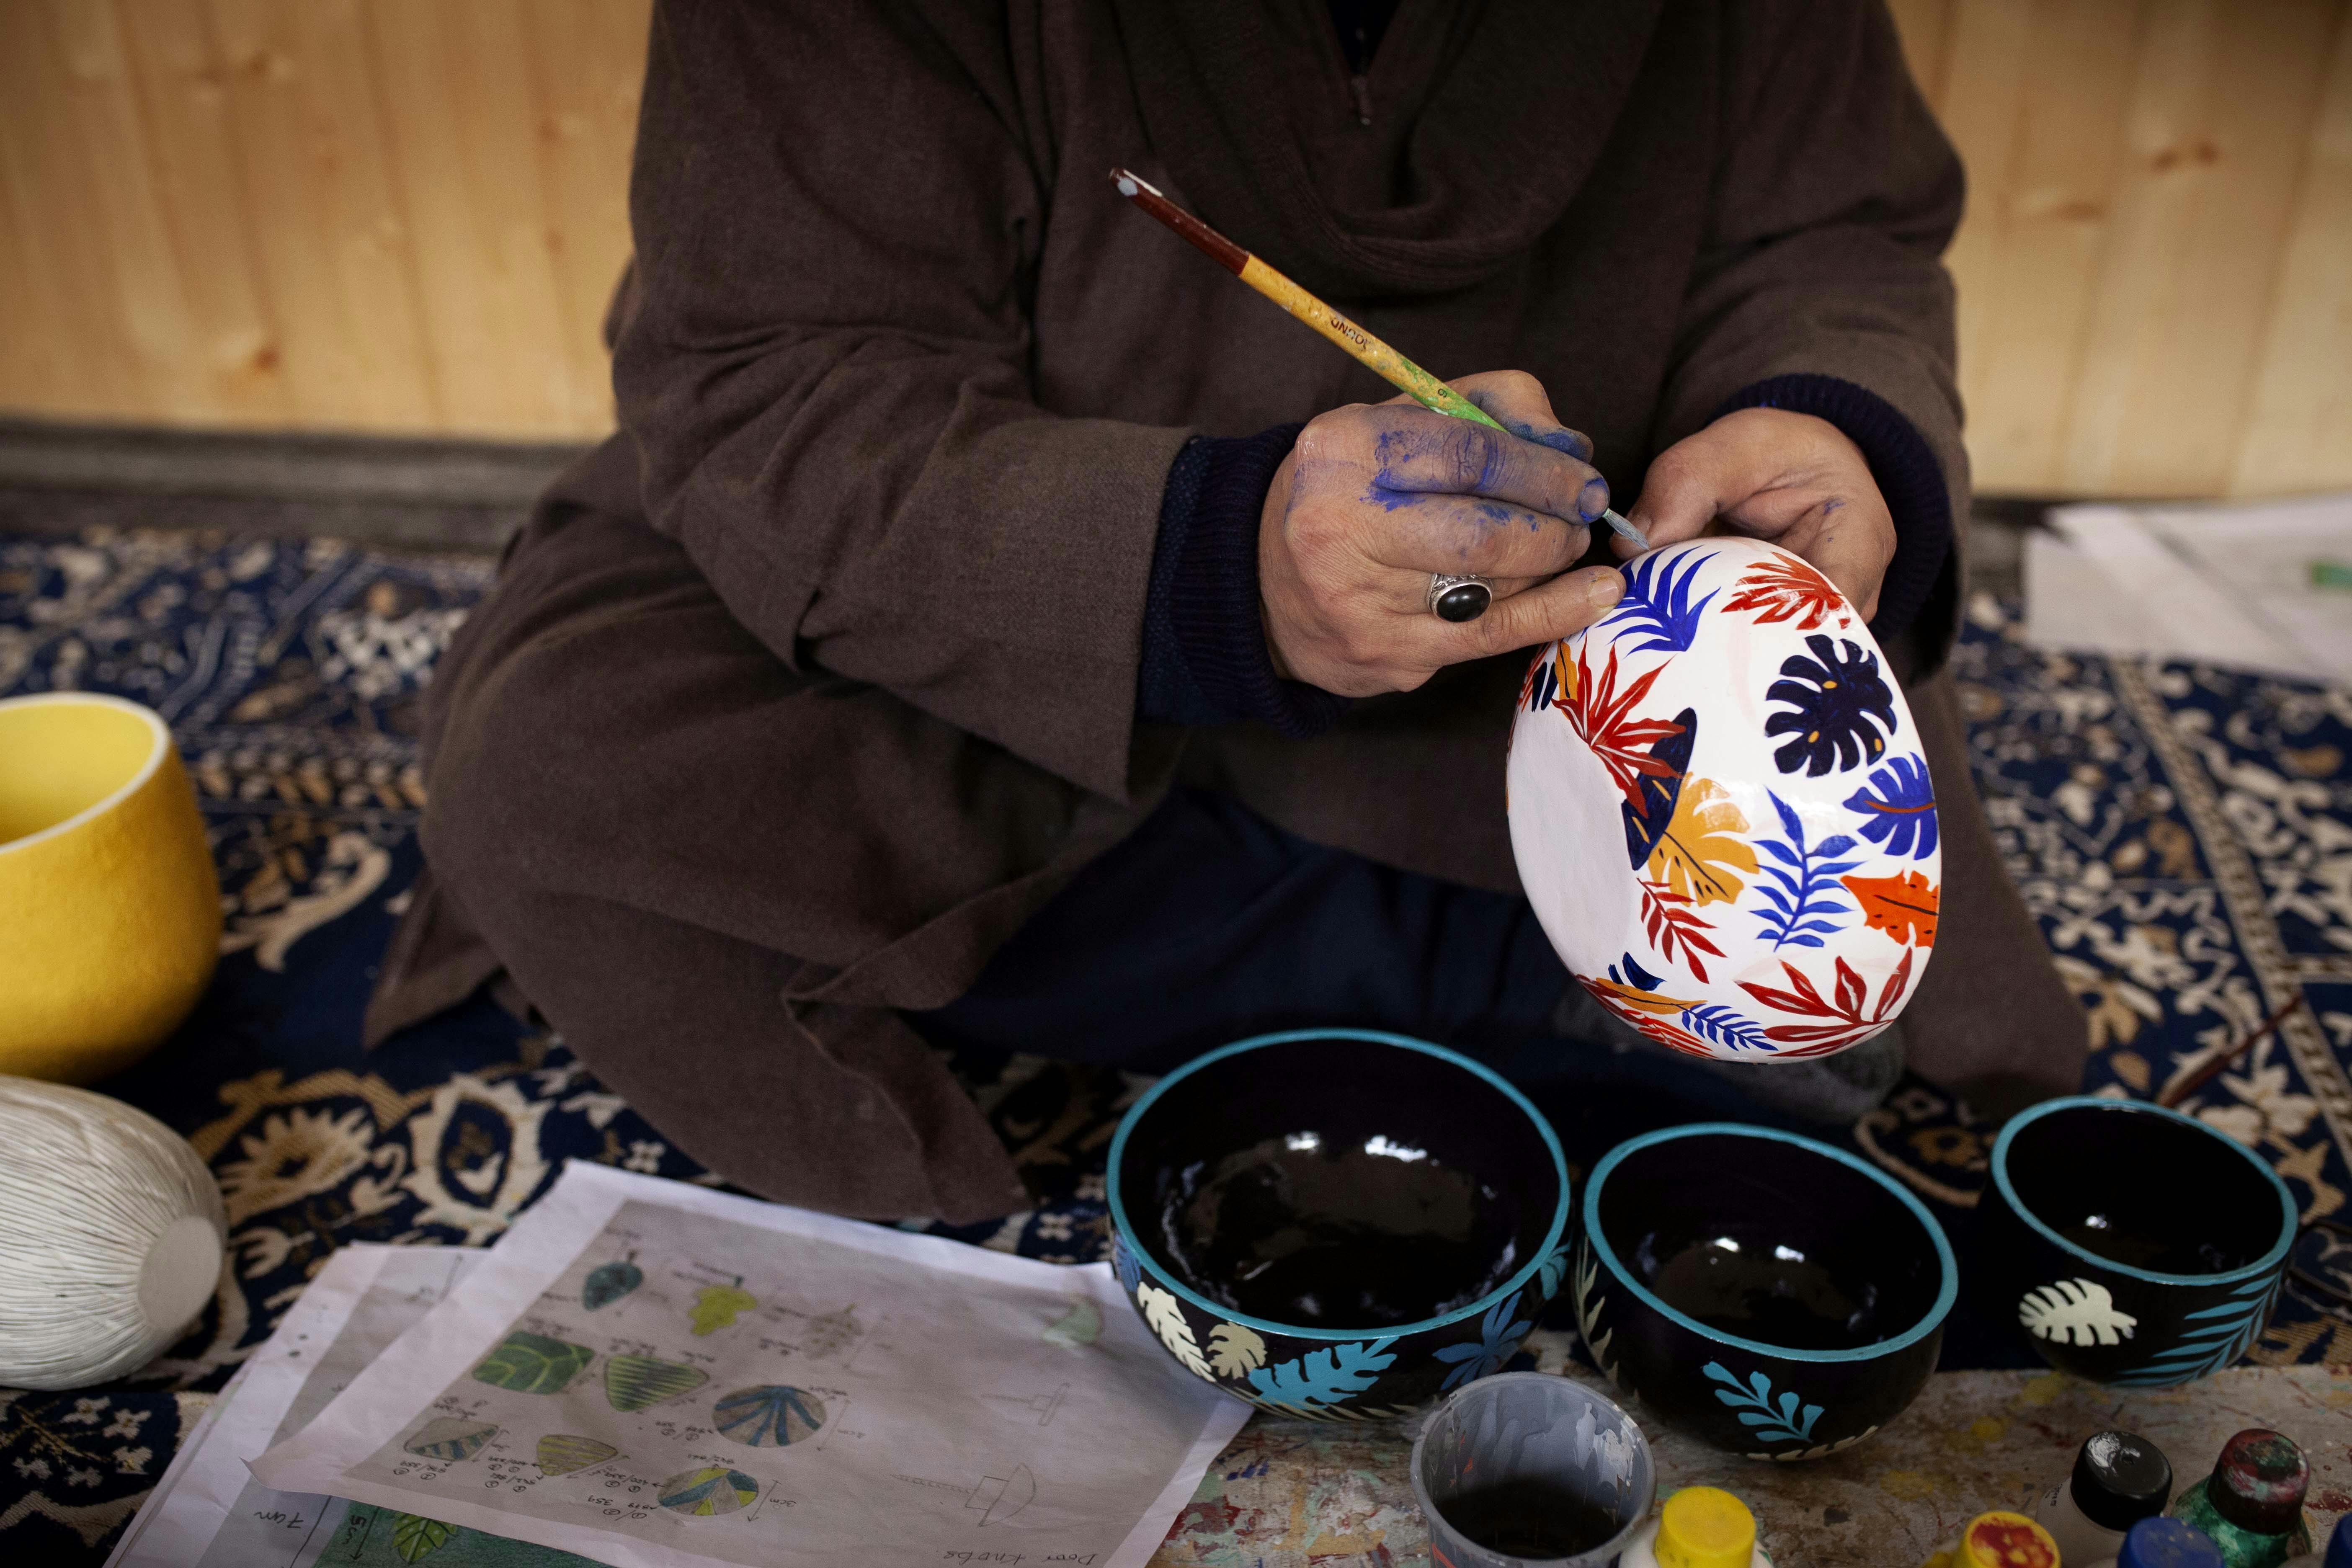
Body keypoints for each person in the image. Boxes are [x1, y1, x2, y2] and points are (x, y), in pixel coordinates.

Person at [365, 0, 2088, 1222]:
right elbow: (780, 378)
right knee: (567, 762)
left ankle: (1537, 958)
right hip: (1027, 611)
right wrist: (1219, 560)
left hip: (1579, 618)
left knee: (1809, 846)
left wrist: (1830, 427)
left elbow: (1840, 243)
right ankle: (1522, 968)